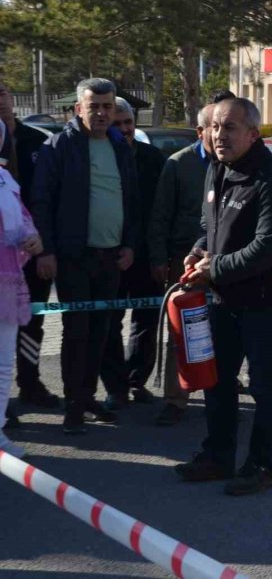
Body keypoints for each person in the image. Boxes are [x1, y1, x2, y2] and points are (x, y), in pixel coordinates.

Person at [174, 98, 272, 496]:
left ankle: (261, 464)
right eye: (214, 127)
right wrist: (197, 251)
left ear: (252, 133)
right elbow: (210, 228)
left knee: (264, 386)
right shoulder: (216, 168)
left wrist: (215, 268)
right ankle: (218, 456)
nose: (218, 135)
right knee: (218, 381)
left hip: (266, 301)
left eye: (228, 128)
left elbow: (268, 248)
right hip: (221, 299)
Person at [31, 78, 140, 435]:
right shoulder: (58, 146)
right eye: (94, 106)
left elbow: (130, 199)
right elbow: (42, 202)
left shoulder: (120, 146)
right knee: (77, 332)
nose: (102, 113)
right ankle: (73, 407)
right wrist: (46, 251)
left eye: (107, 106)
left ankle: (89, 396)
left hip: (111, 257)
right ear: (79, 108)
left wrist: (128, 244)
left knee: (103, 330)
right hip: (73, 257)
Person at [147, 104, 214, 426]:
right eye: (213, 127)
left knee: (223, 330)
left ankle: (221, 395)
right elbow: (160, 215)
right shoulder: (179, 164)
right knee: (180, 335)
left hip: (223, 264)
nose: (220, 133)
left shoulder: (238, 164)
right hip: (184, 263)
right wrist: (159, 258)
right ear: (200, 132)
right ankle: (175, 399)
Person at [0, 81, 61, 419]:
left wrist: (45, 250)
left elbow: (48, 200)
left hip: (33, 247)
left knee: (33, 321)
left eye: (2, 92)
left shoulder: (39, 142)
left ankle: (30, 382)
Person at [100, 98, 166, 408]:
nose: (125, 129)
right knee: (109, 322)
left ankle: (137, 379)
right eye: (118, 123)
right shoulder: (98, 159)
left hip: (147, 255)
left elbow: (163, 211)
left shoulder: (154, 158)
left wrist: (157, 257)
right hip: (109, 255)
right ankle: (116, 387)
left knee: (146, 320)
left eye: (129, 122)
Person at [0, 119, 45, 456]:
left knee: (2, 364)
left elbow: (24, 220)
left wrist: (32, 238)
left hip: (7, 282)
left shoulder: (5, 179)